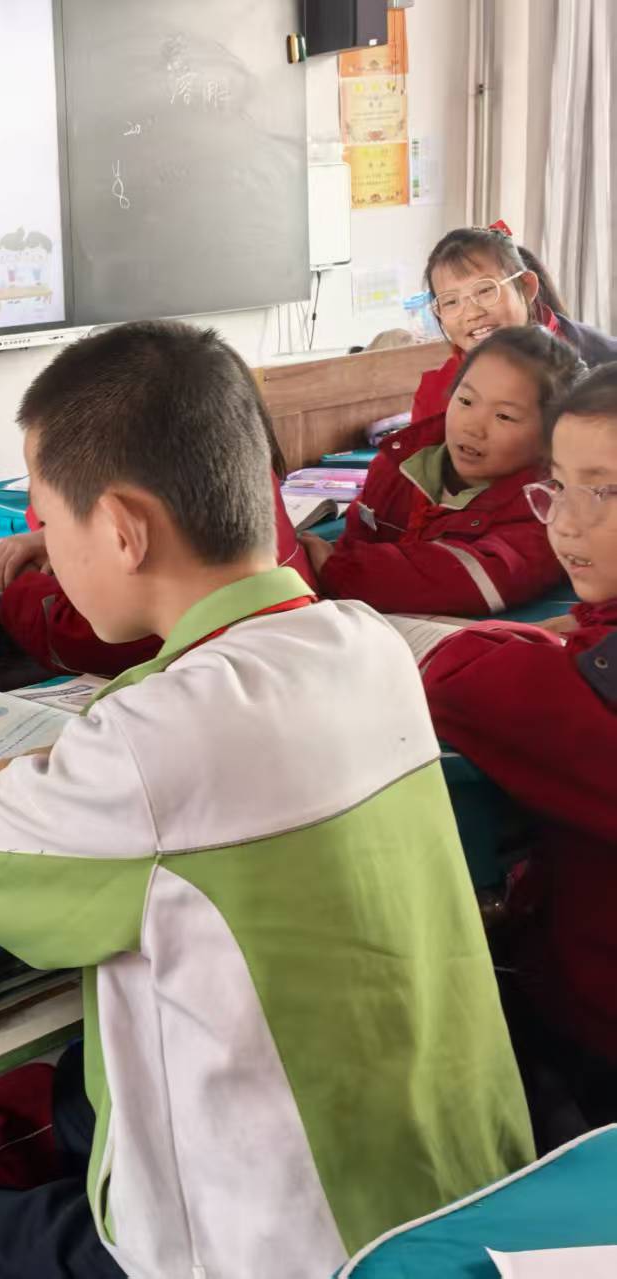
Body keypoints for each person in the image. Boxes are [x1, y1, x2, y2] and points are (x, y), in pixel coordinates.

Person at [0, 320, 533, 1279]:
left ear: (121, 529)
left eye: (46, 519)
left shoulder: (151, 739)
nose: (43, 545)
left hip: (282, 1249)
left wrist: (27, 768)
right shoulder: (368, 643)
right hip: (457, 1189)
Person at [423, 364, 617, 1150]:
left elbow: (458, 676)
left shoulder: (588, 686)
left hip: (595, 1042)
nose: (564, 523)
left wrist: (544, 641)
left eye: (604, 492)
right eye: (558, 486)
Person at [0, 431, 317, 676]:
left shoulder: (129, 731)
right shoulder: (240, 457)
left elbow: (79, 638)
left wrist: (20, 584)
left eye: (48, 521)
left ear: (121, 532)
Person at [305, 326, 578, 616]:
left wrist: (339, 570)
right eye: (466, 401)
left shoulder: (548, 508)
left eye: (504, 416)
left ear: (552, 436)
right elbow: (354, 540)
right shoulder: (396, 466)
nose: (473, 427)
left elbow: (477, 580)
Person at [410, 223, 616, 425]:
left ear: (526, 287)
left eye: (485, 290)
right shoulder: (434, 395)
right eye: (450, 302)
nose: (472, 313)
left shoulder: (598, 365)